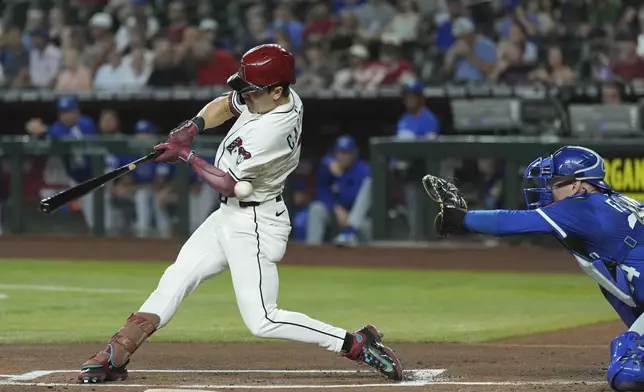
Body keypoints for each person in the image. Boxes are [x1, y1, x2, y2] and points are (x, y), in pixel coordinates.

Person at [77, 44, 403, 384]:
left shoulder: (272, 131)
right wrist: (192, 127)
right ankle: (117, 353)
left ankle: (355, 343)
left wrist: (185, 157)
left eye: (252, 91)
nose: (244, 97)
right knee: (175, 279)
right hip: (227, 217)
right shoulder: (271, 95)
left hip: (256, 223)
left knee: (262, 319)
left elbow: (228, 184)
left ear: (277, 91)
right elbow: (225, 104)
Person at [422, 146, 644, 392]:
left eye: (556, 182)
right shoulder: (616, 202)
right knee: (613, 284)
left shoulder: (581, 206)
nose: (549, 188)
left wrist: (461, 217)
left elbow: (510, 221)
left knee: (627, 372)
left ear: (578, 185)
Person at [24, 96, 98, 229]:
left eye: (69, 111)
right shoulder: (57, 128)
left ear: (77, 112)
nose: (66, 116)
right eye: (63, 113)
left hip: (97, 175)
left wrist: (44, 131)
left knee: (103, 218)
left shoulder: (87, 123)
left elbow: (69, 140)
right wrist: (43, 132)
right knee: (91, 221)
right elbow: (56, 135)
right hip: (77, 180)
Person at [306, 135, 372, 246]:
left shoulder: (364, 170)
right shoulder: (329, 167)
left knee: (366, 226)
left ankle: (350, 235)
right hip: (337, 215)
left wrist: (341, 176)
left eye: (347, 153)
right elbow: (321, 191)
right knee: (316, 209)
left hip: (359, 219)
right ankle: (312, 249)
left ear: (354, 154)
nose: (343, 157)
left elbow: (352, 197)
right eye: (340, 152)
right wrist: (336, 208)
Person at [395, 80, 439, 239]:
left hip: (421, 170)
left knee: (420, 211)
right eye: (407, 97)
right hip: (403, 170)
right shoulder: (404, 119)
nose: (410, 100)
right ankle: (414, 238)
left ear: (421, 98)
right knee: (409, 209)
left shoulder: (429, 119)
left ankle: (420, 242)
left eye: (413, 96)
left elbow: (430, 147)